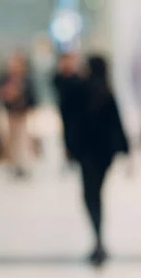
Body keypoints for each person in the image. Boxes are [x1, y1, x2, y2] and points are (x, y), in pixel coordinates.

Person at [73, 55, 130, 266]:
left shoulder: (83, 90)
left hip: (90, 153)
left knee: (91, 195)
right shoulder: (105, 91)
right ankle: (98, 239)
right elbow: (117, 124)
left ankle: (97, 239)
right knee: (95, 195)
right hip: (103, 154)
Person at [0, 52, 38, 178]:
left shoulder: (26, 79)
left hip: (23, 114)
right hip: (10, 113)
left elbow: (32, 96)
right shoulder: (5, 79)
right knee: (12, 141)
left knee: (23, 140)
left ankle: (23, 164)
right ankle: (14, 164)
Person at [53, 52, 85, 165]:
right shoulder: (60, 78)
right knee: (68, 133)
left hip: (78, 112)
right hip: (66, 111)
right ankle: (69, 153)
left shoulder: (77, 77)